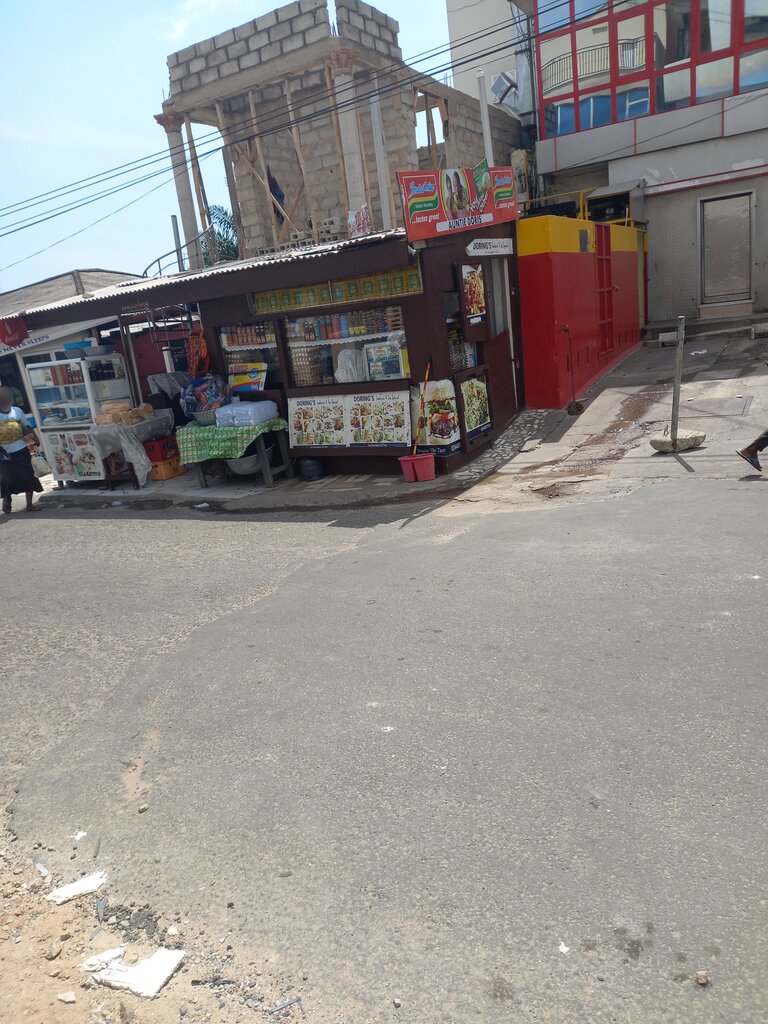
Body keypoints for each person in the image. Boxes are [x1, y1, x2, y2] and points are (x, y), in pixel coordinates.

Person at [0, 386, 43, 513]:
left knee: (29, 476)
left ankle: (29, 505)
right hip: (4, 453)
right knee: (7, 480)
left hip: (22, 449)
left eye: (8, 398)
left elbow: (26, 427)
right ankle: (7, 498)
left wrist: (35, 439)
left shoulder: (17, 411)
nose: (7, 400)